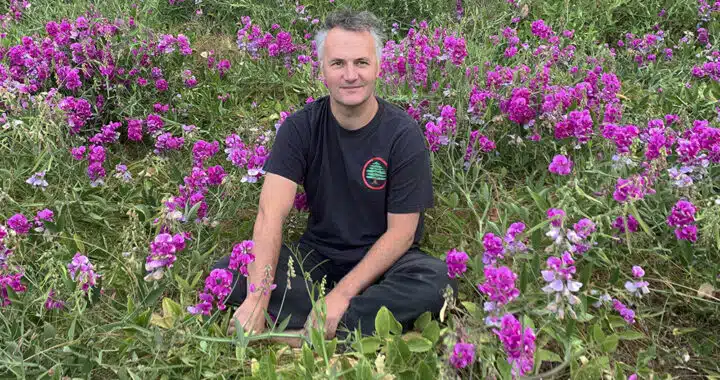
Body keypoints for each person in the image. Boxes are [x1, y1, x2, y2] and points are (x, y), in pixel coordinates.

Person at [213, 9, 456, 346]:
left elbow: (401, 234)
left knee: (437, 281)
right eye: (338, 63)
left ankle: (305, 333)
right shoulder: (299, 128)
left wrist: (341, 295)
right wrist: (257, 296)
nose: (350, 75)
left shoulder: (403, 134)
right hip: (317, 259)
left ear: (378, 68)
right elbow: (271, 213)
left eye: (361, 62)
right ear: (322, 69)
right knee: (228, 270)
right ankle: (353, 327)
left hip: (387, 264)